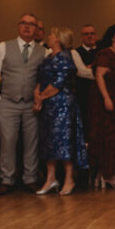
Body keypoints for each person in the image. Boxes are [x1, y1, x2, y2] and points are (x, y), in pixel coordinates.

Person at [0, 13, 46, 195]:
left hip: (31, 105)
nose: (27, 27)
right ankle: (7, 179)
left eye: (32, 24)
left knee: (31, 143)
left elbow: (48, 77)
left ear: (37, 29)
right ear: (19, 26)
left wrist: (41, 98)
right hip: (7, 103)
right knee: (7, 142)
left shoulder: (44, 51)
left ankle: (30, 179)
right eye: (24, 23)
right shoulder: (4, 47)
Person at [34, 26, 89, 195]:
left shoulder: (65, 57)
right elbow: (41, 79)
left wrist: (41, 97)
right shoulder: (47, 57)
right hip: (47, 105)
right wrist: (37, 95)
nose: (48, 37)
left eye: (51, 35)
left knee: (65, 142)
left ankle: (69, 179)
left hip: (63, 105)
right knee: (48, 142)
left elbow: (58, 83)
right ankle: (50, 179)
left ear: (58, 39)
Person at [89, 24, 115, 189]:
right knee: (108, 137)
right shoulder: (106, 53)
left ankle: (106, 172)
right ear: (112, 36)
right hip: (106, 100)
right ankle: (108, 174)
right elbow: (99, 76)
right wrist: (106, 98)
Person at [73, 24, 99, 135]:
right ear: (81, 37)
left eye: (92, 33)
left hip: (99, 97)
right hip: (83, 96)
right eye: (86, 34)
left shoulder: (102, 52)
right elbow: (81, 72)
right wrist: (99, 72)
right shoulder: (75, 52)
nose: (89, 36)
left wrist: (91, 67)